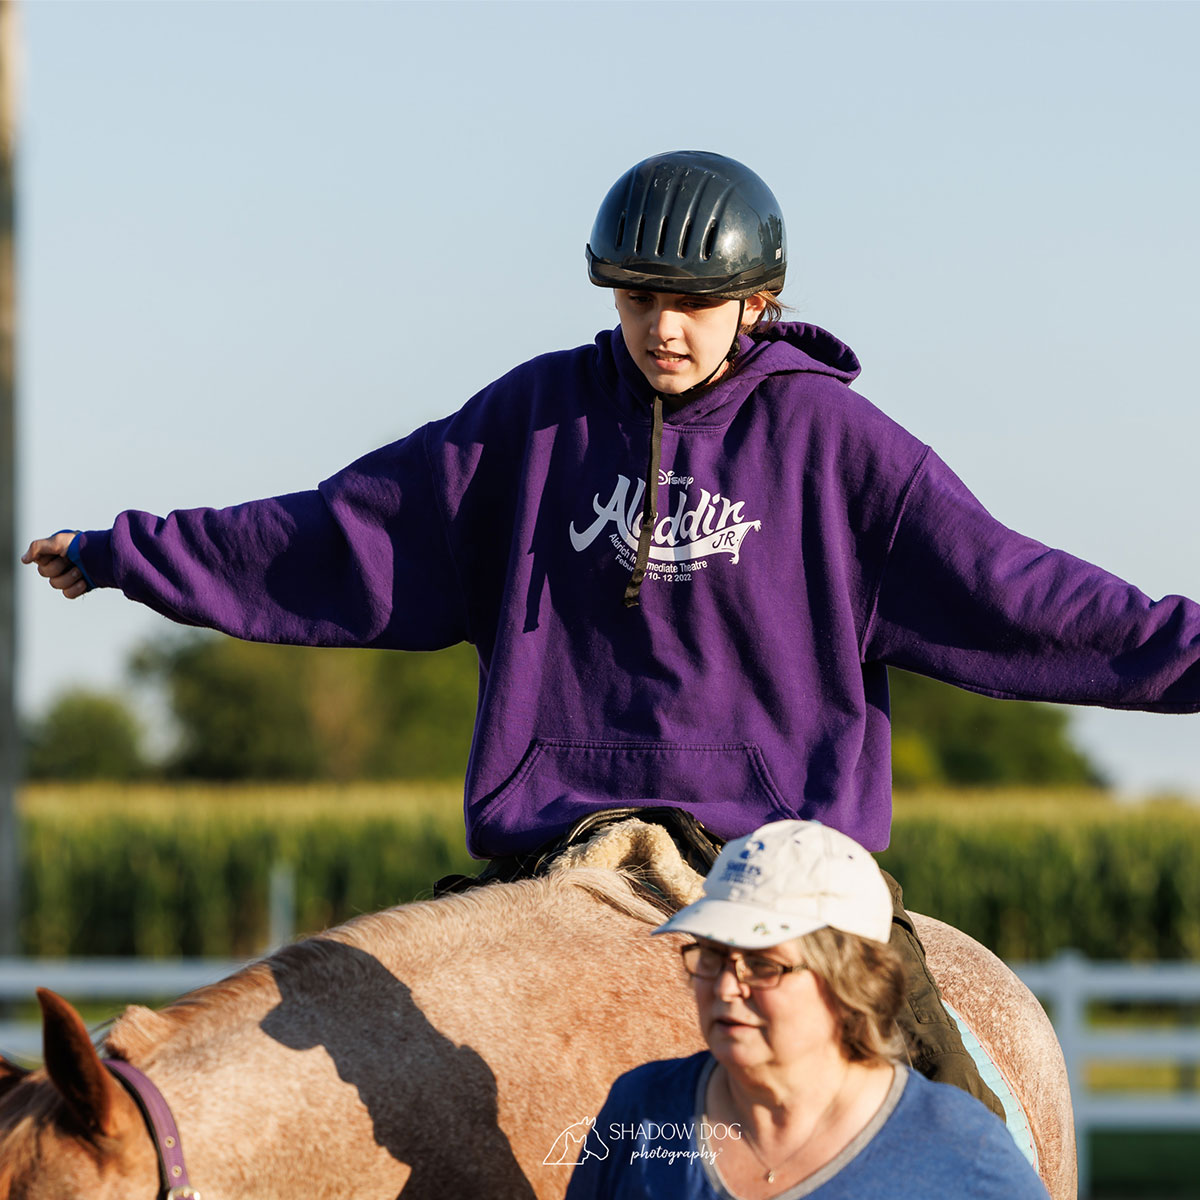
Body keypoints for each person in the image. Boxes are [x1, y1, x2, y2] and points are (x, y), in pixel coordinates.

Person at [22, 151, 1200, 1113]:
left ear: (758, 302)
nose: (663, 328)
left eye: (691, 302)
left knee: (950, 1119)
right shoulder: (534, 420)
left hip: (785, 862)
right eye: (638, 299)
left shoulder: (838, 446)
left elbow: (1021, 592)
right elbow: (340, 534)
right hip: (555, 845)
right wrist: (133, 555)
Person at [564, 819, 1049, 1200]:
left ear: (850, 980)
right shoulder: (640, 1110)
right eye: (711, 956)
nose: (726, 988)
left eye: (762, 965)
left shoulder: (963, 1149)